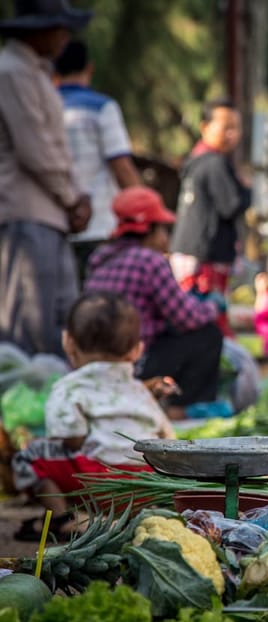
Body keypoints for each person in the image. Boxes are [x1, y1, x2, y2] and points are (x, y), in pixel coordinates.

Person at [11, 292, 175, 541]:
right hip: (145, 483)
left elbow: (72, 439)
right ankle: (136, 520)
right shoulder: (141, 390)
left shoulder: (69, 387)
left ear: (68, 343)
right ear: (137, 350)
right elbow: (166, 437)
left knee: (29, 455)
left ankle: (62, 520)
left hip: (96, 483)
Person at [0, 0, 93, 357]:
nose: (65, 37)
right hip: (27, 210)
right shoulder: (12, 72)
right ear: (39, 29)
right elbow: (34, 148)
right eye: (60, 28)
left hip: (52, 213)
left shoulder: (37, 72)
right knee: (27, 322)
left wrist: (76, 198)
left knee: (61, 318)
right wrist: (71, 198)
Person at [85, 186, 223, 417]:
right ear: (150, 230)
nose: (166, 238)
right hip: (134, 362)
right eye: (163, 230)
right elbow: (187, 318)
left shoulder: (101, 257)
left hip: (94, 360)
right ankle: (180, 410)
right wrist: (213, 306)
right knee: (207, 334)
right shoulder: (149, 260)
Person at [54, 38, 141, 284]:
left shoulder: (41, 104)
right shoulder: (103, 108)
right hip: (98, 225)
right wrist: (145, 210)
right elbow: (122, 167)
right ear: (89, 68)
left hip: (53, 226)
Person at [169, 97, 251, 334]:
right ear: (205, 127)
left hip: (190, 254)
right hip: (203, 260)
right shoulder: (214, 163)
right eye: (226, 127)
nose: (232, 134)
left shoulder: (195, 161)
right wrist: (246, 189)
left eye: (236, 128)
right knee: (204, 325)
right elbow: (230, 206)